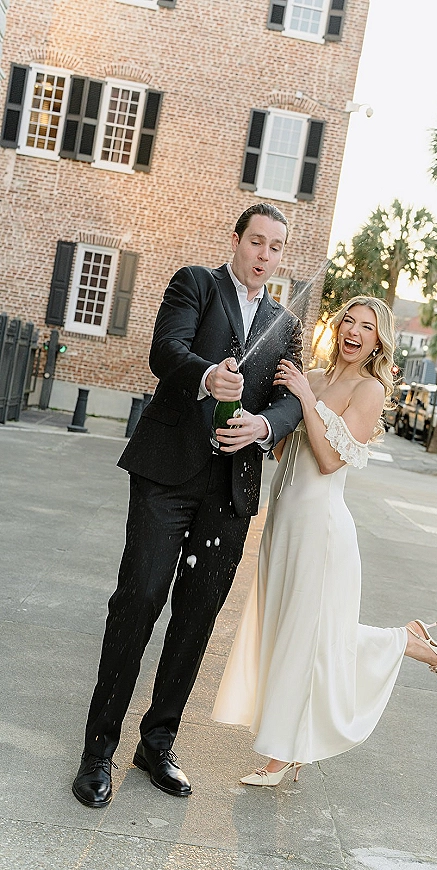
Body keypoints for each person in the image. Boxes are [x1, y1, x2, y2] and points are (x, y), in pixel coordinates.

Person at [72, 203, 303, 808]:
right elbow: (165, 349)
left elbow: (291, 402)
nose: (265, 256)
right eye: (257, 242)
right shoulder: (195, 283)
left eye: (276, 248)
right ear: (238, 240)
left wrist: (262, 425)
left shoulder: (283, 323)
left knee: (197, 616)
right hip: (167, 475)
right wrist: (207, 377)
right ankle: (98, 752)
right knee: (140, 598)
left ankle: (157, 743)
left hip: (230, 490)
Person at [212, 295, 437, 785]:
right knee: (296, 632)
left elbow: (328, 461)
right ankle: (408, 640)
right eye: (349, 321)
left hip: (322, 530)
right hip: (283, 522)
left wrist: (303, 399)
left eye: (367, 327)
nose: (354, 332)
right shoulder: (313, 378)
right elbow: (280, 449)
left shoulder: (368, 390)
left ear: (378, 340)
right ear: (337, 327)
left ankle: (283, 753)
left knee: (310, 638)